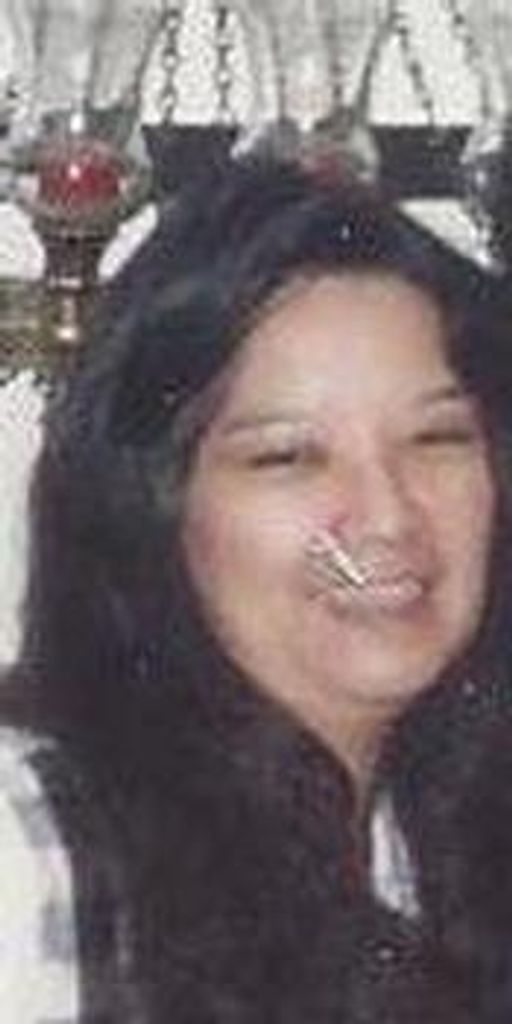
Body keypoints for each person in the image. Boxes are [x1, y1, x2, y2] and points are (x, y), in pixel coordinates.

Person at [4, 155, 512, 1022]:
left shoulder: (437, 844)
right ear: (149, 504)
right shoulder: (30, 843)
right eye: (289, 456)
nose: (388, 516)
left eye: (437, 438)